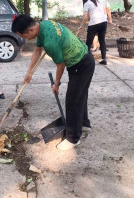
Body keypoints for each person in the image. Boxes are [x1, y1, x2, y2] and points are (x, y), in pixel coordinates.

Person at [12, 15, 95, 151]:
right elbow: (38, 51)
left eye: (23, 36)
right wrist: (29, 72)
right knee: (80, 94)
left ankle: (73, 138)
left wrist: (56, 84)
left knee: (73, 100)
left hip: (81, 64)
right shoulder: (44, 26)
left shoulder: (50, 42)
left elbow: (60, 65)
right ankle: (84, 123)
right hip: (84, 59)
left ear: (31, 30)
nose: (24, 39)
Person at [79, 0, 112, 65]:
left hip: (94, 24)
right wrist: (110, 19)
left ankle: (86, 60)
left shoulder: (87, 3)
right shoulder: (102, 0)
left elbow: (85, 18)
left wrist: (81, 25)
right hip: (104, 22)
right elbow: (108, 10)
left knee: (89, 42)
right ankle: (104, 59)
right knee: (102, 40)